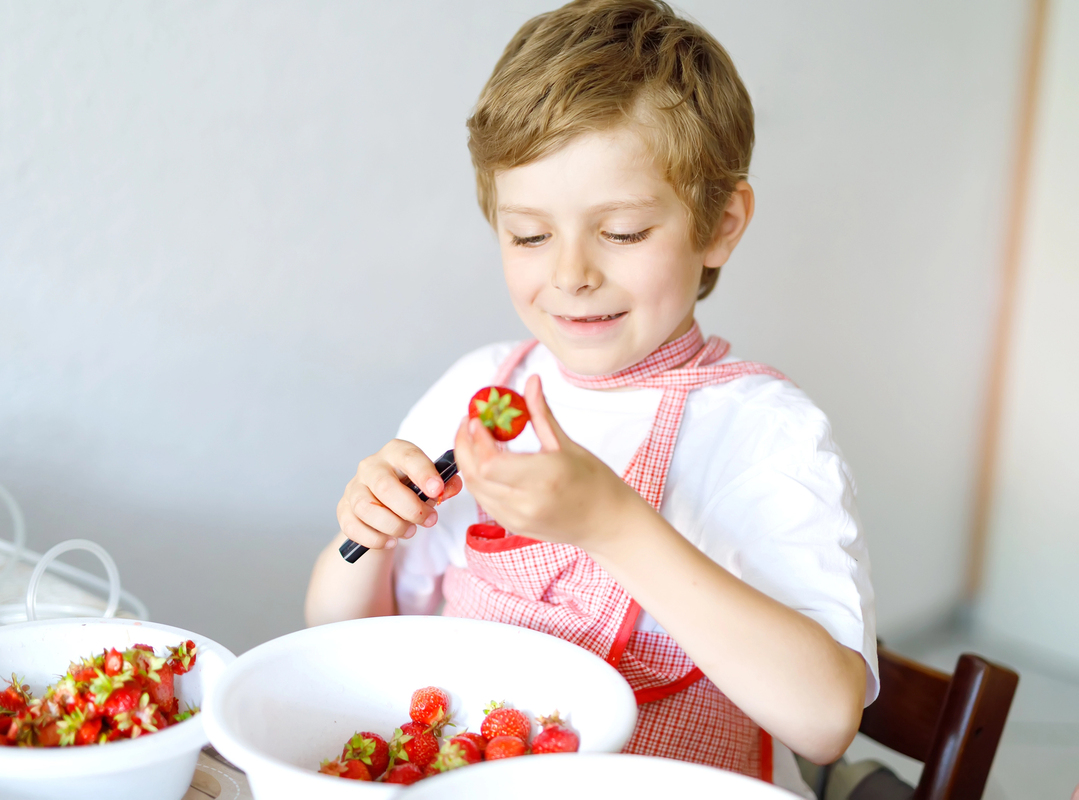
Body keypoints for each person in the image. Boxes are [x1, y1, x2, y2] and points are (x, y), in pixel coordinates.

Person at [305, 0, 876, 793]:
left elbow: (824, 718)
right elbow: (339, 642)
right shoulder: (480, 392)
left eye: (623, 231)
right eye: (530, 235)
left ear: (718, 224)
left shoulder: (760, 431)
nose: (570, 274)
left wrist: (614, 527)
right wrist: (361, 536)